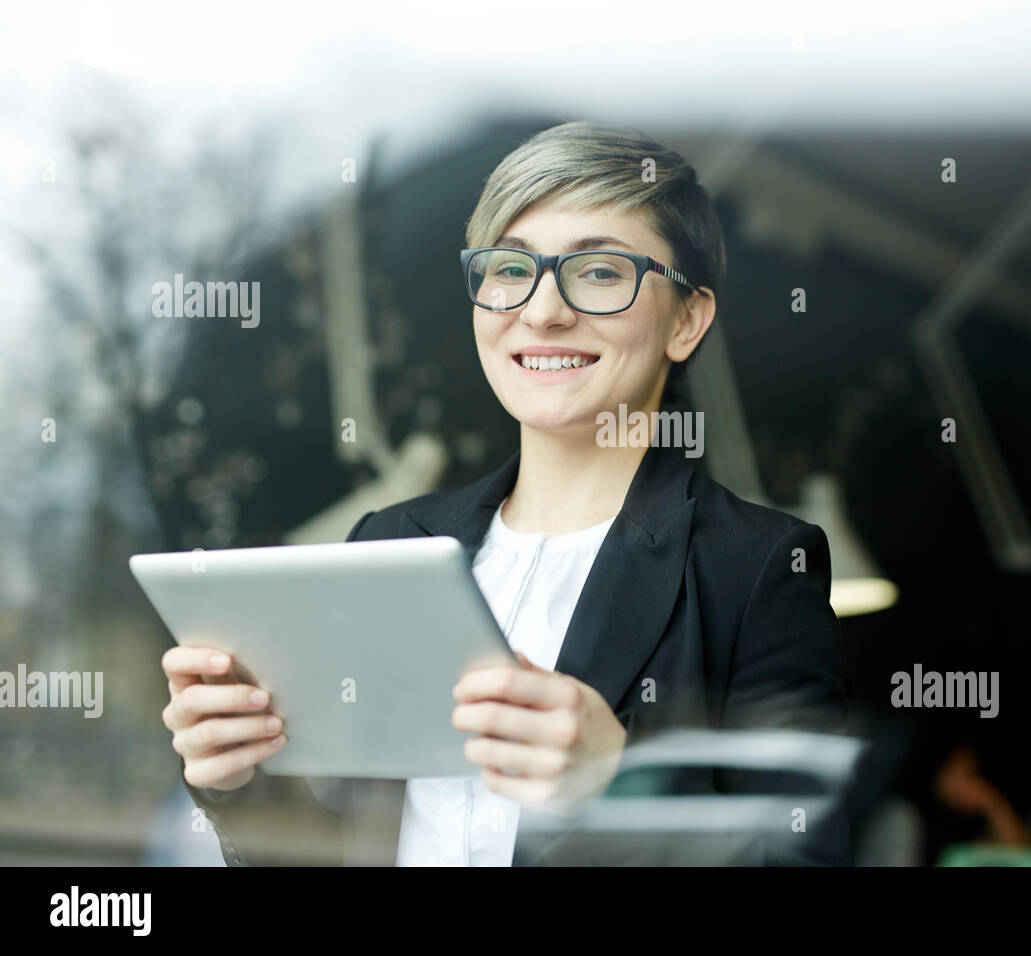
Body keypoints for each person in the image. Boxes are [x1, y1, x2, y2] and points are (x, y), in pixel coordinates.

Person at [159, 120, 853, 865]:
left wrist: (623, 779)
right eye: (511, 269)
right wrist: (236, 773)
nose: (543, 310)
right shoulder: (387, 542)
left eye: (600, 272)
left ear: (686, 320)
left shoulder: (756, 568)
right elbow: (332, 833)